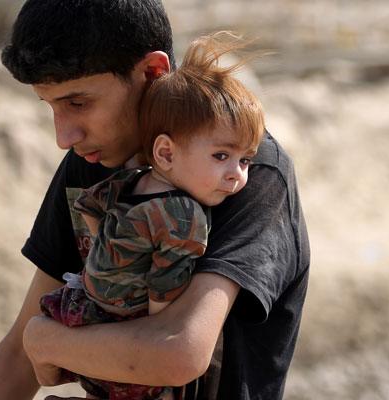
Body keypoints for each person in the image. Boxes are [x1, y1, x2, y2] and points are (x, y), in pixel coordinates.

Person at [0, 1, 310, 399]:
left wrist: (47, 342)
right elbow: (16, 356)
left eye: (78, 103)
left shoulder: (240, 175)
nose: (64, 136)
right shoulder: (94, 160)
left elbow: (179, 351)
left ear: (152, 71)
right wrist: (36, 341)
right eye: (52, 106)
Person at [38, 32, 265, 400]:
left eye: (245, 161)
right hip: (127, 335)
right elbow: (165, 297)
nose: (237, 175)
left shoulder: (130, 179)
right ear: (166, 153)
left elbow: (90, 206)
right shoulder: (185, 214)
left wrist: (108, 255)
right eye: (221, 157)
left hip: (79, 308)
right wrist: (149, 323)